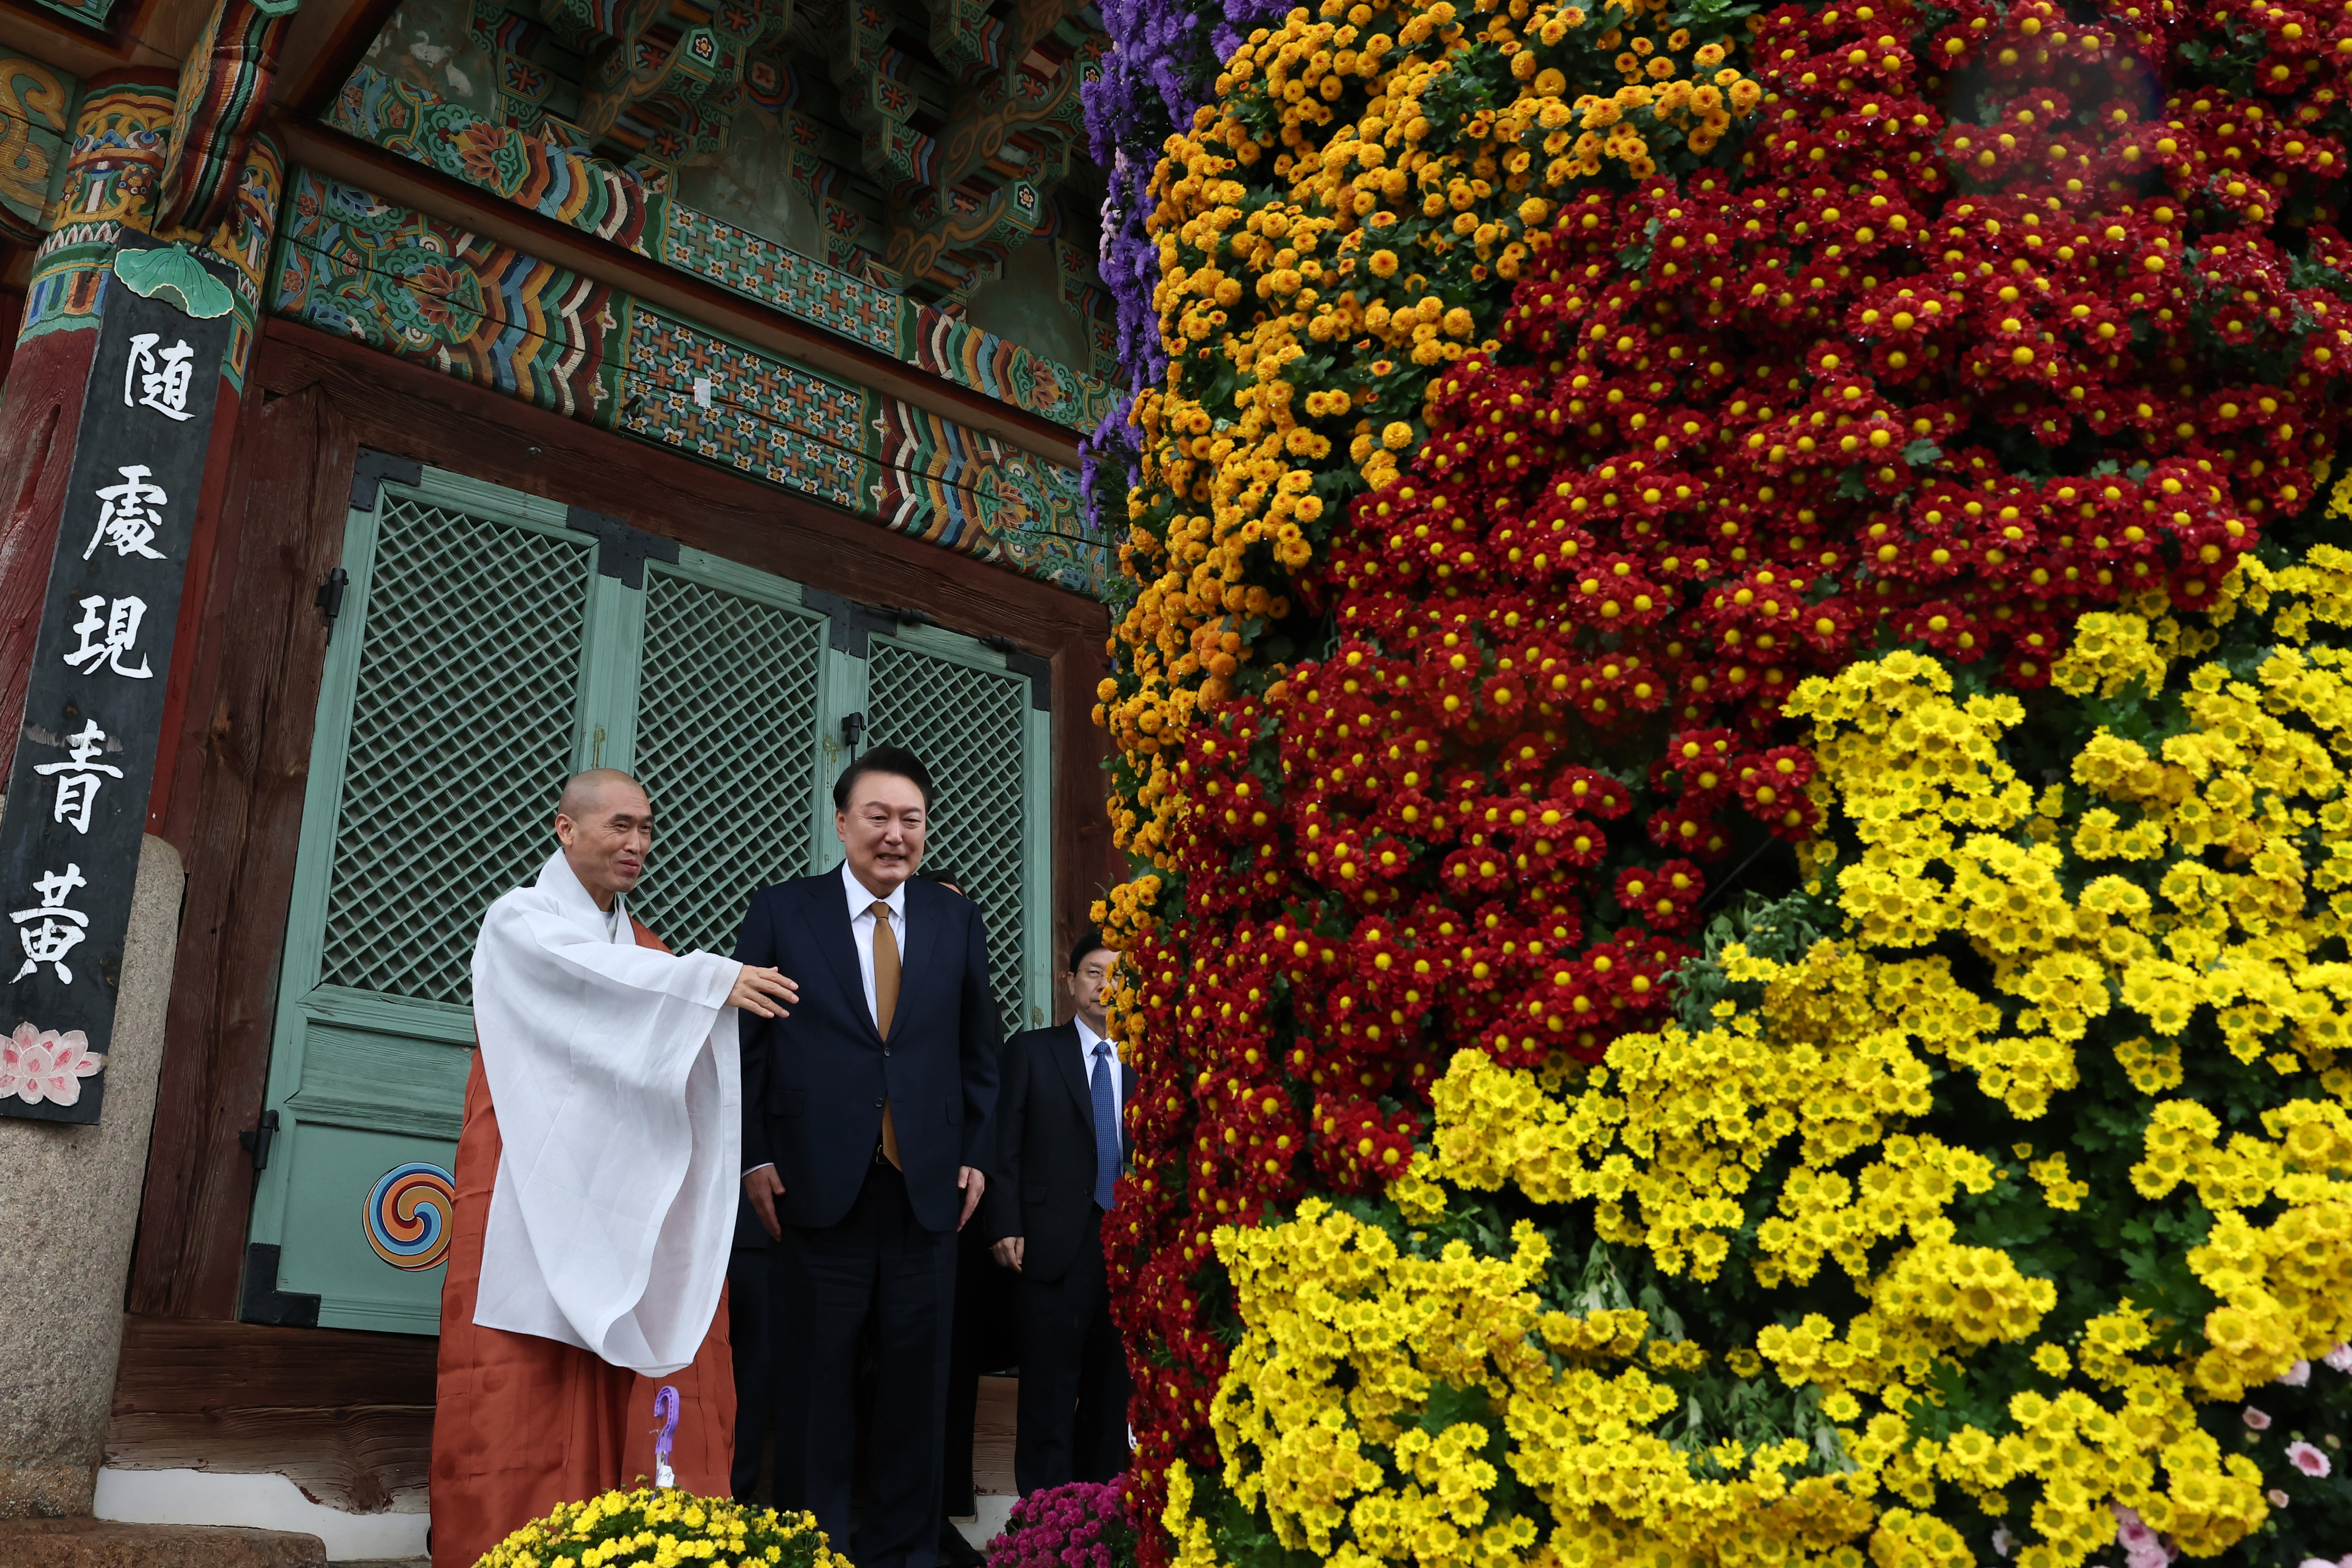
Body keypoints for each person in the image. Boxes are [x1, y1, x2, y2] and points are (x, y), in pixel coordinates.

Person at [431, 769, 798, 1568]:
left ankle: (637, 1544)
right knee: (526, 1376)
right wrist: (708, 981)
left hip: (618, 1198)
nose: (637, 844)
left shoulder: (649, 951)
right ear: (566, 828)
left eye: (646, 829)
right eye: (620, 825)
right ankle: (508, 1544)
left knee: (635, 1361)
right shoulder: (520, 921)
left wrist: (698, 993)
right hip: (529, 1185)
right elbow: (596, 985)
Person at [736, 745, 999, 1568]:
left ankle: (903, 1552)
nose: (895, 834)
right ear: (843, 821)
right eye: (878, 816)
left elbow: (977, 1052)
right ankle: (813, 1549)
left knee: (915, 1394)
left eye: (911, 819)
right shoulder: (783, 910)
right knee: (816, 1390)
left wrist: (978, 1154)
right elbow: (747, 1050)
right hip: (815, 1187)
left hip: (925, 1192)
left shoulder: (956, 918)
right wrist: (755, 1156)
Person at [984, 933, 1133, 1495]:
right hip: (1049, 1245)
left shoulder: (1148, 1058)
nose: (1104, 985)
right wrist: (1003, 1221)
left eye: (1116, 975)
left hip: (1125, 1246)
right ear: (1071, 982)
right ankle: (1041, 1525)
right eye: (1094, 972)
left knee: (1109, 1391)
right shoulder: (1032, 1050)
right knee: (1047, 1391)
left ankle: (1102, 1520)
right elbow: (1005, 1144)